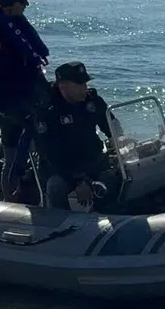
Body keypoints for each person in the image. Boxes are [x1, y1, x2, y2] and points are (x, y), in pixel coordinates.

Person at [0, 0, 50, 203]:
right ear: (9, 6)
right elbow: (0, 75)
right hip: (10, 106)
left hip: (33, 100)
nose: (26, 6)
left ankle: (39, 195)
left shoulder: (17, 27)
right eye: (23, 2)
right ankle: (9, 200)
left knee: (42, 152)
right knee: (12, 156)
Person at [32, 62, 114, 210]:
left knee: (116, 174)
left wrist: (123, 144)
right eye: (80, 84)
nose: (85, 88)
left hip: (90, 159)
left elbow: (111, 125)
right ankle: (59, 224)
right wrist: (77, 180)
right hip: (62, 167)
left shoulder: (92, 101)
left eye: (85, 83)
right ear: (63, 86)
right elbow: (49, 153)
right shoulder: (47, 110)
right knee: (55, 186)